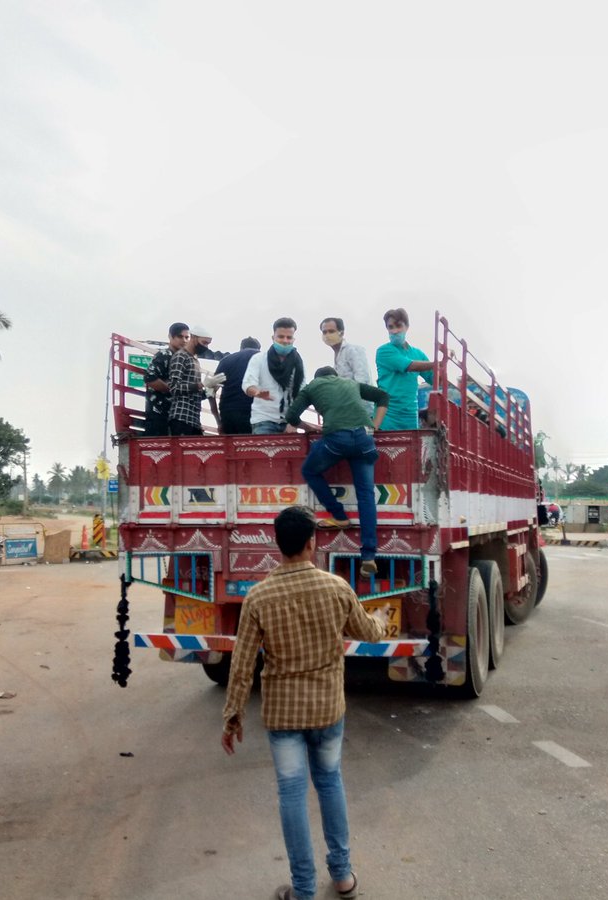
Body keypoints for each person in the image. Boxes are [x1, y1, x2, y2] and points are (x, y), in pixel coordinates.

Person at [221, 506, 387, 900]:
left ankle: (304, 889)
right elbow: (369, 633)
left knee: (292, 793)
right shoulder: (336, 588)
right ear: (313, 542)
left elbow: (242, 665)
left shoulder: (258, 598)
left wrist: (233, 717)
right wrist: (380, 619)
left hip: (283, 715)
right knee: (330, 783)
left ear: (278, 545)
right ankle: (343, 876)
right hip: (329, 709)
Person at [285, 366, 388, 578]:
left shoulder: (312, 386)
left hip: (337, 440)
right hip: (364, 439)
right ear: (334, 376)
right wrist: (375, 426)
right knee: (366, 496)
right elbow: (382, 395)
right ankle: (368, 556)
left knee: (310, 471)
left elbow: (291, 415)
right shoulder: (349, 383)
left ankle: (339, 515)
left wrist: (307, 427)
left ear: (318, 378)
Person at [242, 317, 305, 434]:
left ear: (293, 339)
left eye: (289, 337)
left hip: (289, 422)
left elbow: (302, 393)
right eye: (281, 337)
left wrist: (293, 422)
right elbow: (248, 385)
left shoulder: (298, 363)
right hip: (263, 420)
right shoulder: (259, 359)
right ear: (273, 338)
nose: (285, 341)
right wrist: (259, 393)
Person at [375, 307, 433, 431]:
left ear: (407, 326)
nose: (395, 331)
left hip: (410, 417)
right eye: (390, 327)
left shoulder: (417, 353)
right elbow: (410, 366)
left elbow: (436, 379)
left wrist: (447, 359)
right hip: (387, 416)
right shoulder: (384, 351)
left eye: (398, 326)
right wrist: (437, 363)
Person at [167, 332, 223, 436]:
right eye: (204, 342)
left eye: (208, 344)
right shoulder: (181, 356)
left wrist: (210, 390)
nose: (206, 346)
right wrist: (201, 384)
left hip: (194, 420)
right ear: (194, 337)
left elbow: (195, 395)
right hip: (181, 417)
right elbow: (174, 388)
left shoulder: (195, 360)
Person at [143, 323, 190, 436]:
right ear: (170, 337)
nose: (184, 340)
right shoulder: (164, 355)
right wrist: (173, 389)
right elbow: (149, 377)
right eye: (179, 336)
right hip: (159, 414)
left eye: (187, 337)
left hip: (178, 416)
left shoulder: (185, 359)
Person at [214, 337, 262, 435]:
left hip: (229, 413)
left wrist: (218, 421)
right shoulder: (264, 359)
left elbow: (211, 390)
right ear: (259, 348)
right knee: (254, 447)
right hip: (256, 412)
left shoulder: (226, 361)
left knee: (232, 447)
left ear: (241, 348)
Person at [319, 318, 370, 386]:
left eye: (331, 331)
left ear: (341, 333)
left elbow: (363, 378)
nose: (327, 335)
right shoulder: (336, 355)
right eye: (324, 332)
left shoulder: (353, 350)